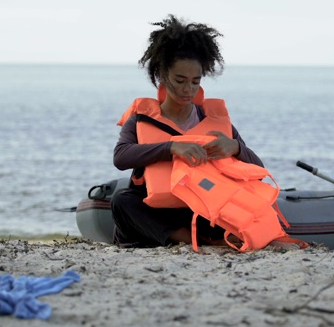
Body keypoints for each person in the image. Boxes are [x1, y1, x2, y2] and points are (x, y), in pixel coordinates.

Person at [111, 14, 264, 248]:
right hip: (158, 214)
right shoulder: (140, 120)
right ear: (162, 76)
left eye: (195, 81)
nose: (188, 89)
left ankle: (207, 240)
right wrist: (171, 147)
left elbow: (259, 170)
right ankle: (202, 244)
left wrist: (235, 148)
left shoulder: (213, 121)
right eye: (180, 80)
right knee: (122, 200)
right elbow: (121, 157)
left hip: (201, 211)